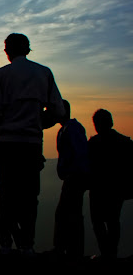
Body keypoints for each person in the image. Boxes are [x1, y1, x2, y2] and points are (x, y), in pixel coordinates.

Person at [0, 33, 64, 256]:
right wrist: (38, 123)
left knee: (6, 193)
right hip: (32, 144)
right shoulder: (44, 73)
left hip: (7, 144)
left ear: (7, 51)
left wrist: (5, 126)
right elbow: (58, 110)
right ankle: (27, 244)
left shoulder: (1, 75)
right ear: (28, 49)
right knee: (29, 195)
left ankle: (5, 244)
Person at [87, 109, 132, 260]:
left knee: (99, 222)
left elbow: (87, 165)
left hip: (98, 189)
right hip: (116, 189)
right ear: (111, 122)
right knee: (113, 221)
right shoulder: (125, 142)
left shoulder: (93, 143)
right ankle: (111, 253)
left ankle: (106, 253)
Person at [52, 100, 89, 259]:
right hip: (72, 177)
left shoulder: (73, 129)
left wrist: (80, 176)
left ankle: (69, 251)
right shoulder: (66, 129)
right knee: (69, 213)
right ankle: (69, 250)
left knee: (66, 213)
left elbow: (81, 153)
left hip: (75, 177)